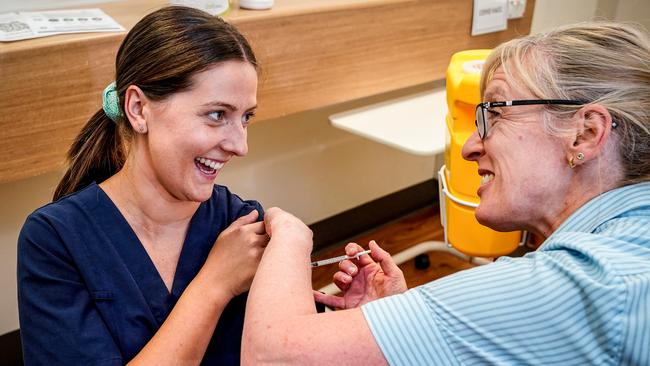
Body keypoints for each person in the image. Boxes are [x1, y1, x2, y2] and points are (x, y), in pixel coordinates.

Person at [242, 22, 650, 365]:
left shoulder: (582, 283)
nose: (470, 146)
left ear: (586, 132)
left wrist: (292, 238)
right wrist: (405, 328)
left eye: (495, 113)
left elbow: (272, 355)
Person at [17, 6, 267, 365]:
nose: (240, 145)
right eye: (217, 115)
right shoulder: (56, 240)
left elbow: (288, 350)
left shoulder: (242, 226)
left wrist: (355, 314)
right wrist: (214, 285)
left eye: (245, 117)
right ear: (138, 108)